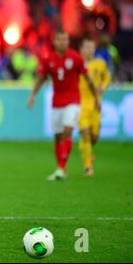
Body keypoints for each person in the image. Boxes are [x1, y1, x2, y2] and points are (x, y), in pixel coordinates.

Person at [28, 30, 99, 181]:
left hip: (73, 101)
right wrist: (33, 95)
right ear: (54, 42)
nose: (62, 42)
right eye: (60, 40)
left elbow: (88, 79)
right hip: (56, 102)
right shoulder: (48, 59)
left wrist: (96, 98)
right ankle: (61, 168)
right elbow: (41, 78)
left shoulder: (75, 58)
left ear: (68, 41)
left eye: (65, 40)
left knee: (68, 130)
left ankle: (61, 168)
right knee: (58, 136)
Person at [78, 38, 111, 177]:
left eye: (92, 47)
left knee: (94, 138)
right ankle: (88, 167)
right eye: (87, 47)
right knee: (85, 133)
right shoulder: (77, 64)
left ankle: (86, 151)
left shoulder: (100, 64)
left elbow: (107, 78)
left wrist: (102, 87)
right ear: (81, 49)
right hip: (80, 103)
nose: (90, 50)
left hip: (95, 104)